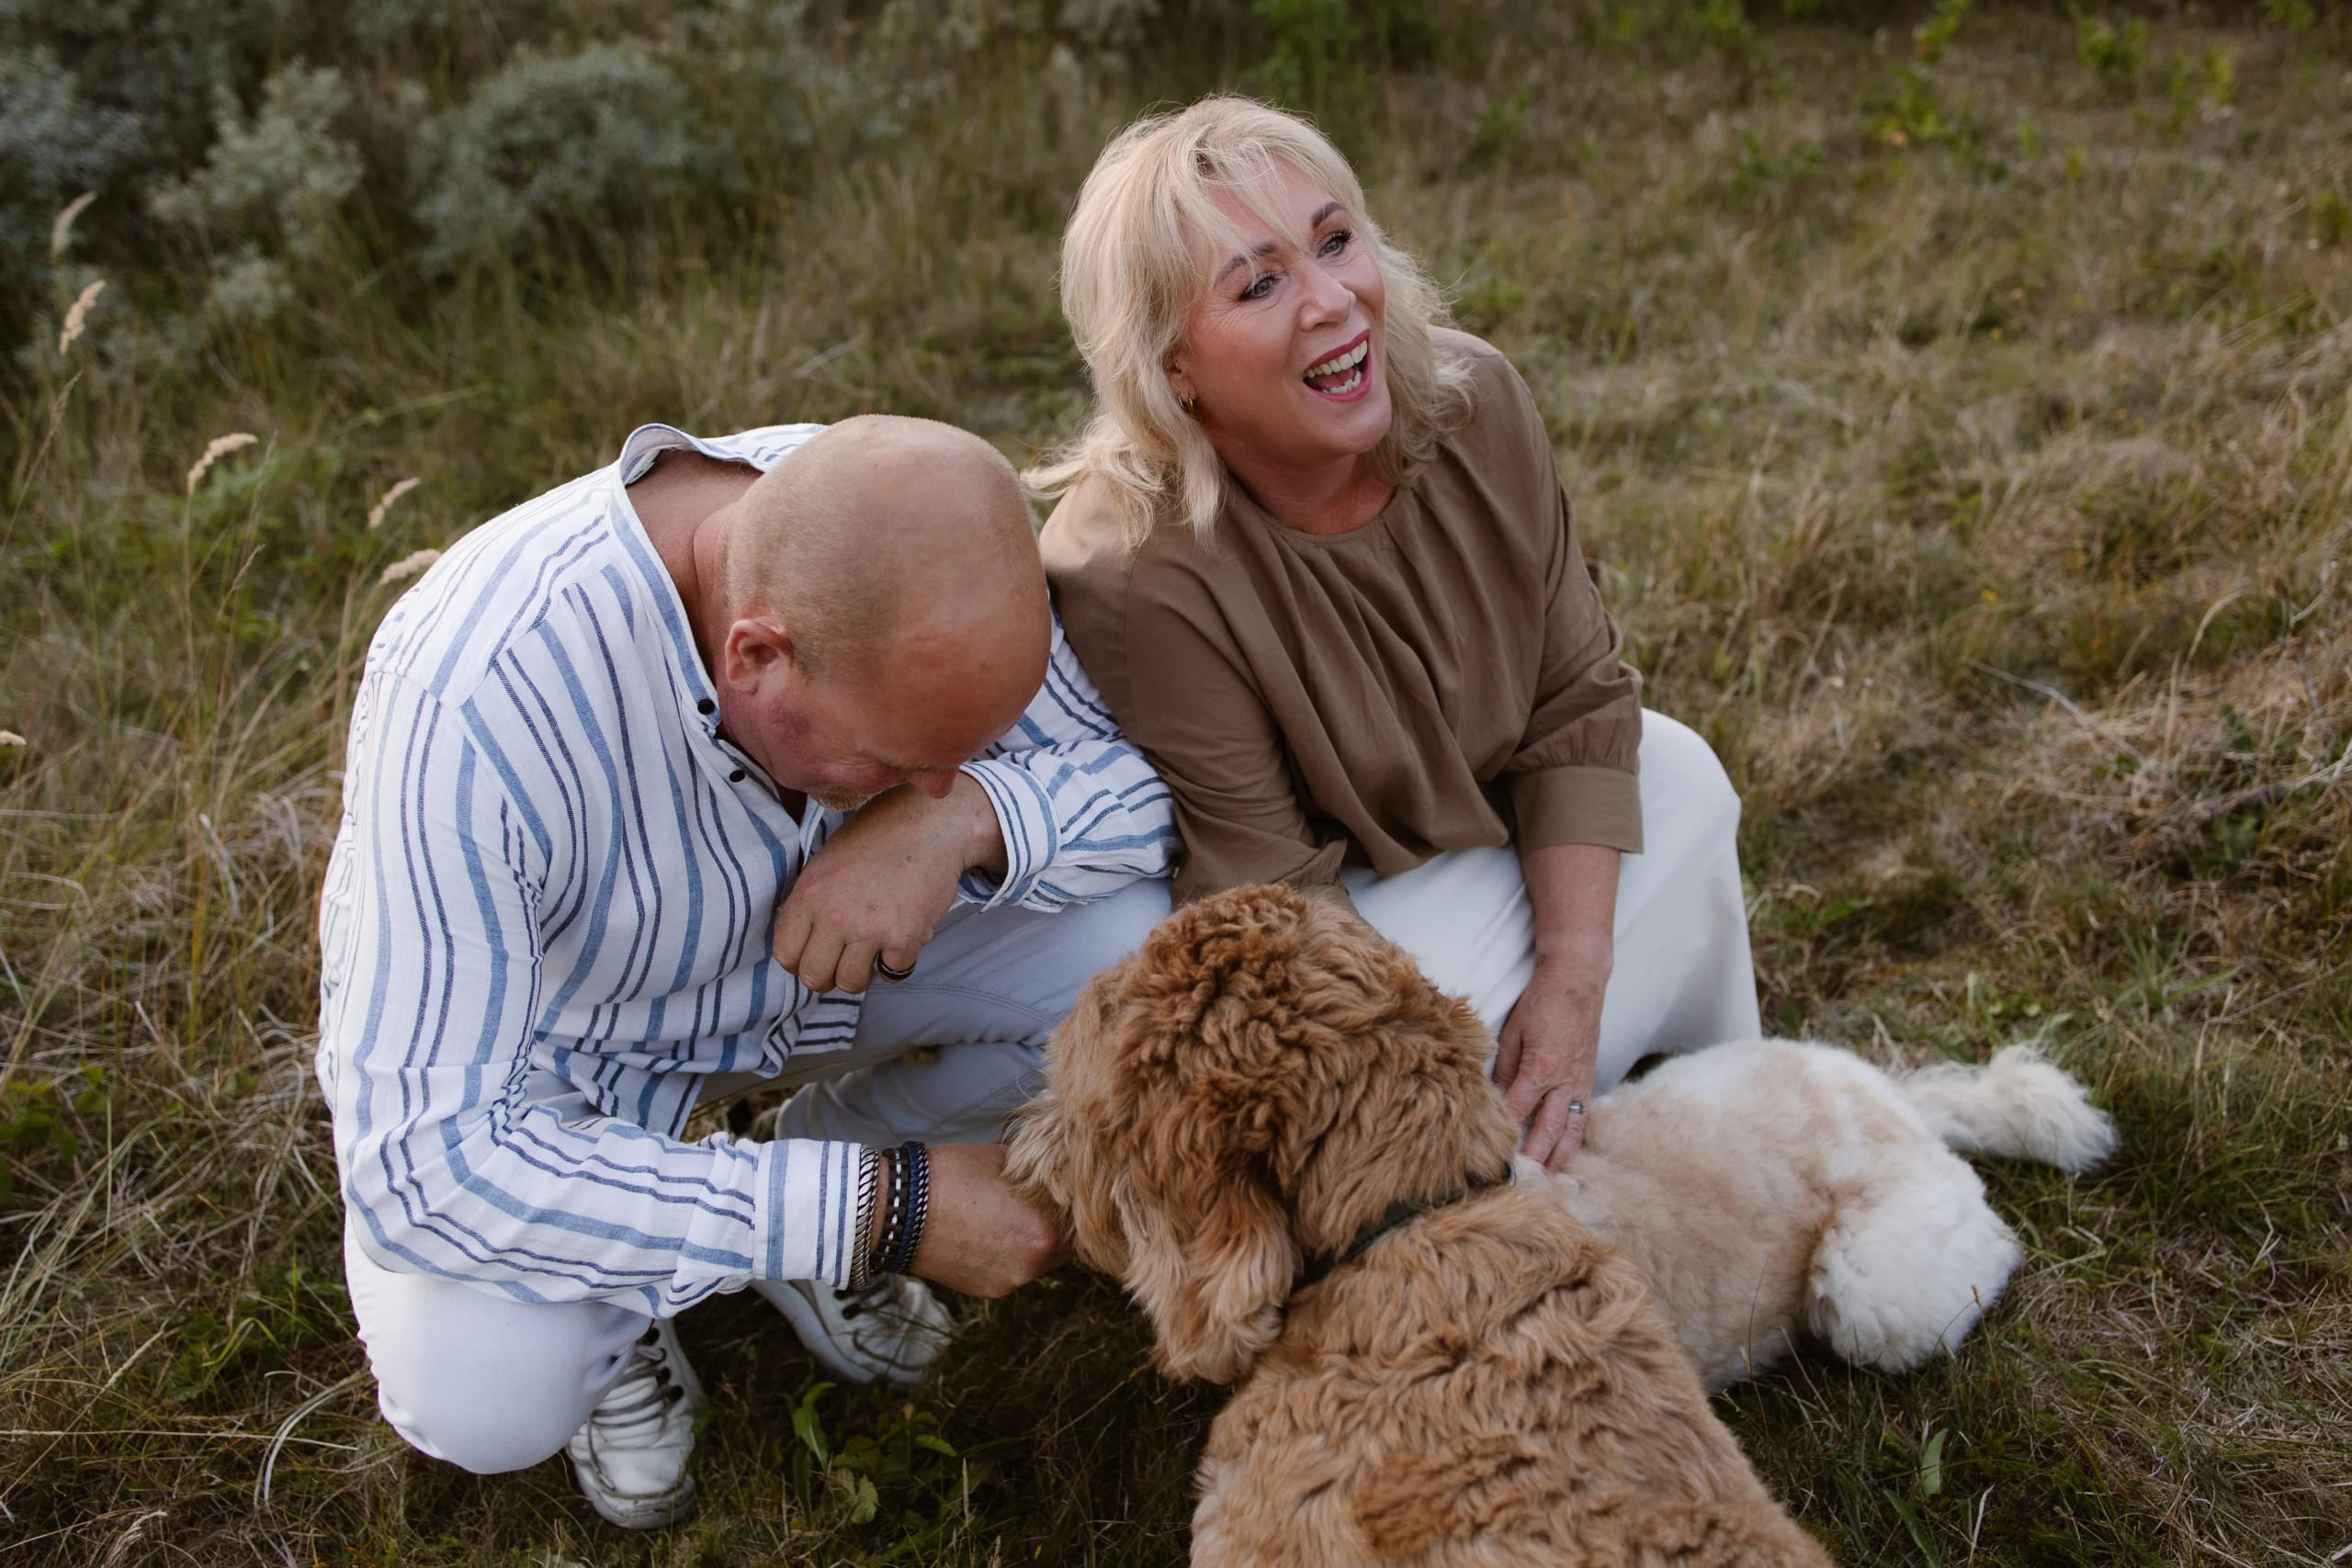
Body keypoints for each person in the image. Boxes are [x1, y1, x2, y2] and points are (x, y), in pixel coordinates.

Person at [317, 414, 1175, 1529]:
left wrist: (966, 817)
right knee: (482, 1391)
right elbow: (425, 1171)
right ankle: (641, 1299)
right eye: (896, 764)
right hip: (573, 1063)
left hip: (821, 978)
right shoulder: (475, 697)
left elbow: (1164, 783)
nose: (924, 784)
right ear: (755, 655)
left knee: (1135, 966)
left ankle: (813, 1160)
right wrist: (883, 1211)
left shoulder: (915, 532)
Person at [1033, 97, 1761, 1176]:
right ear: (1170, 365)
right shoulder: (1139, 569)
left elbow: (1576, 700)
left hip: (1479, 840)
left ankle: (1696, 1087)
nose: (1332, 301)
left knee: (1681, 775)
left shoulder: (1475, 401)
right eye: (1261, 282)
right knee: (1433, 1096)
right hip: (1321, 917)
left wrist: (1571, 978)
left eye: (1335, 242)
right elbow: (1272, 900)